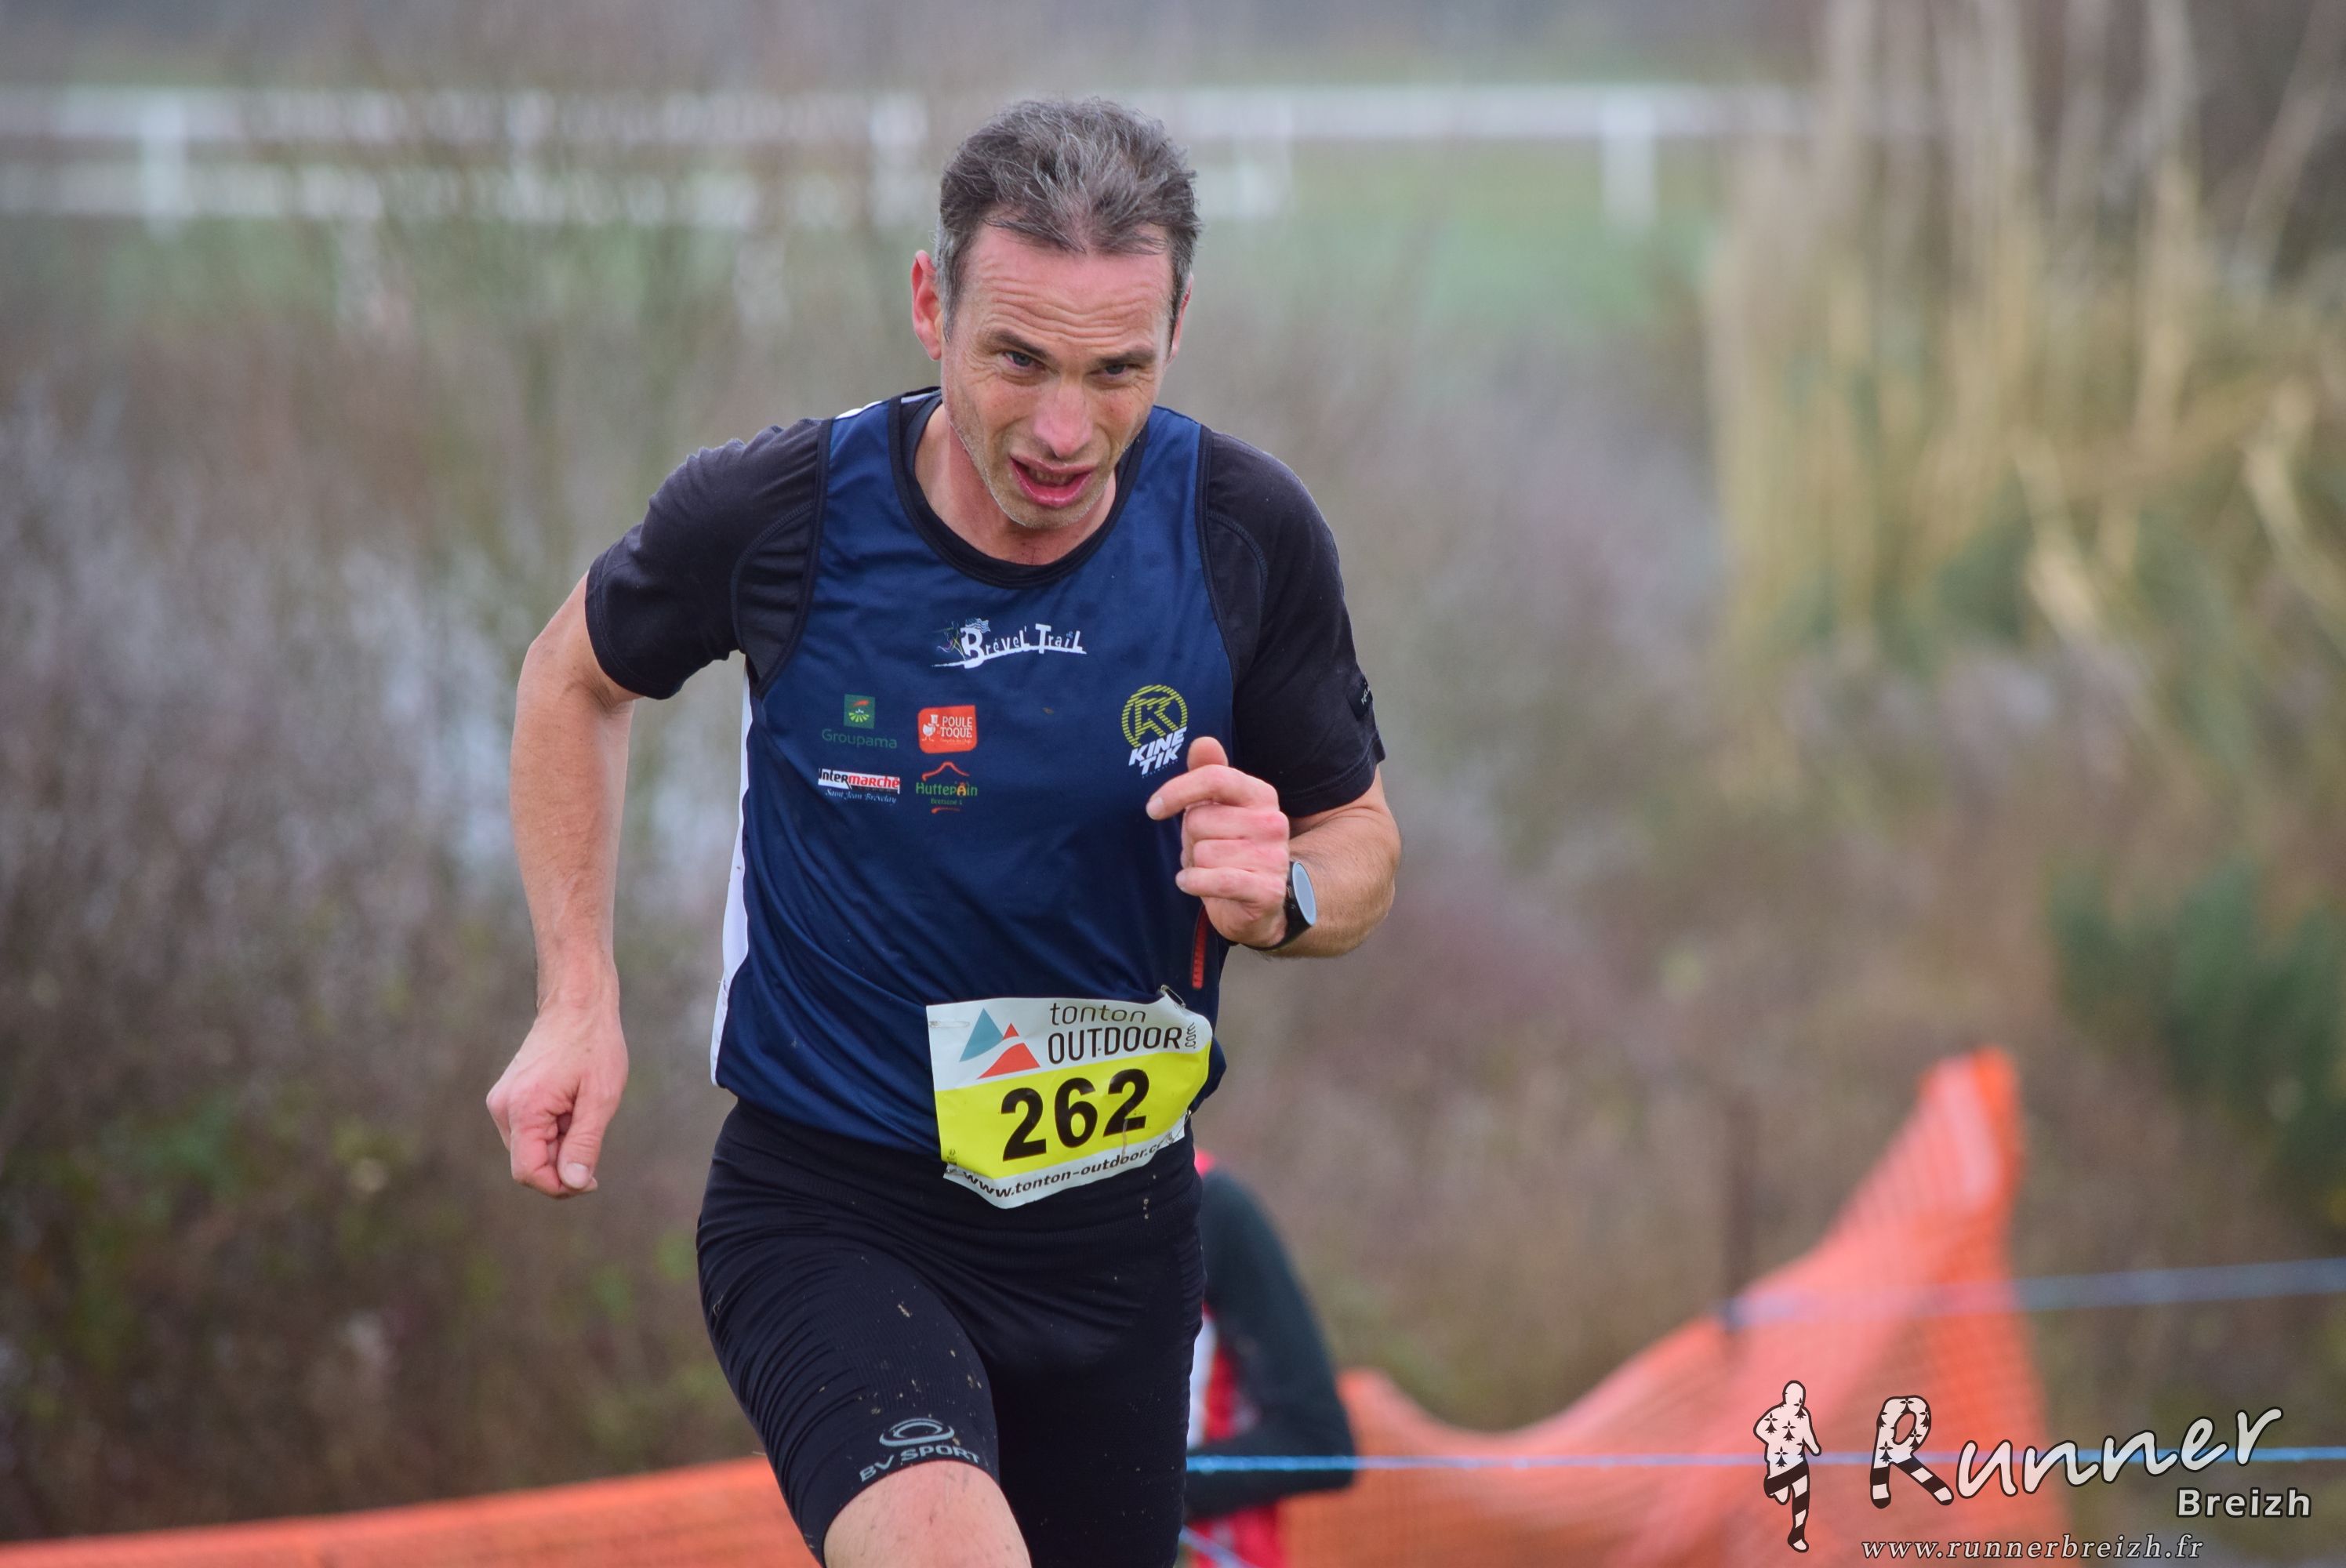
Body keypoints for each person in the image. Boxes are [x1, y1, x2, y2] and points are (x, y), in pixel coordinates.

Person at [485, 96, 1400, 1568]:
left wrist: (1284, 885)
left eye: (1117, 371)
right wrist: (574, 997)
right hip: (838, 1214)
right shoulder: (781, 515)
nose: (1063, 429)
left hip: (1122, 1239)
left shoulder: (1241, 533)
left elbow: (1357, 839)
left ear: (1178, 328)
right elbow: (569, 677)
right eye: (1017, 359)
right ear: (931, 306)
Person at [1183, 1152, 1354, 1568]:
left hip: (1212, 1550)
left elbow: (1320, 1441)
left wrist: (1137, 1489)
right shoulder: (1034, 1204)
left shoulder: (1212, 1206)